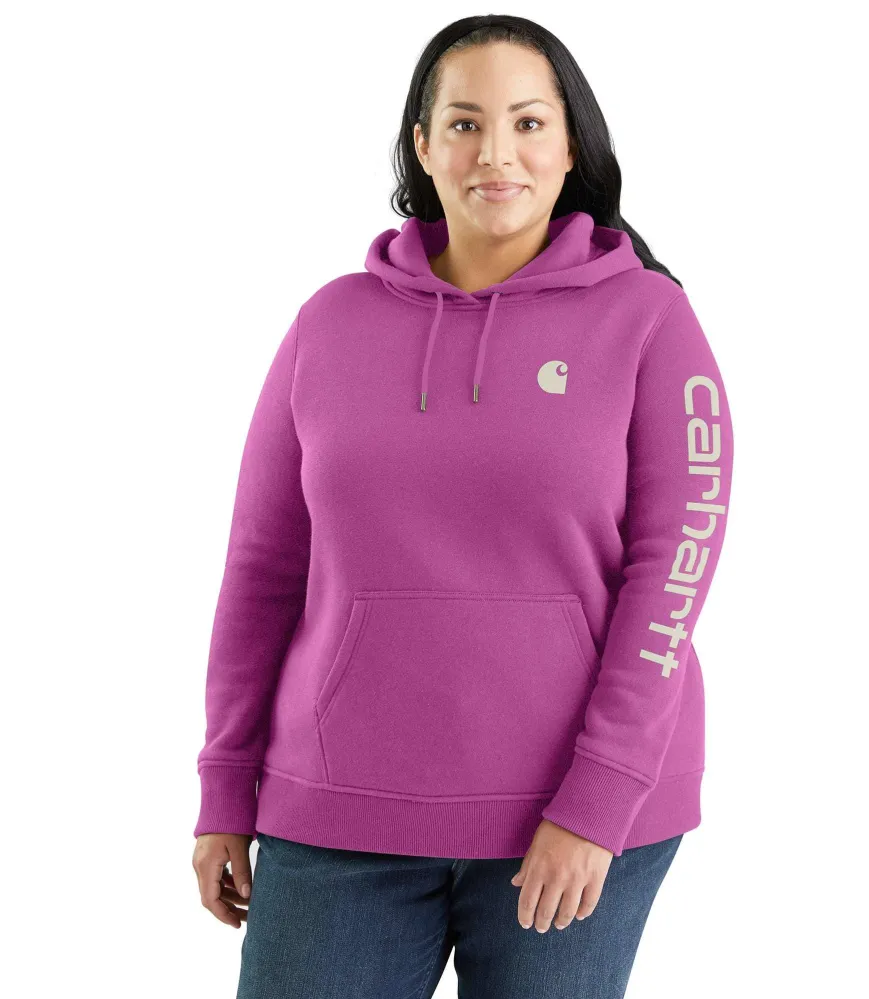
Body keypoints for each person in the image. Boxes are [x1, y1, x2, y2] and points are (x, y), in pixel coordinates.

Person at [191, 13, 734, 998]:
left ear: (570, 146)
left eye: (528, 123)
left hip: (568, 816)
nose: (496, 154)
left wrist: (599, 796)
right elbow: (262, 570)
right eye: (465, 123)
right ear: (423, 144)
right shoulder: (329, 323)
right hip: (337, 808)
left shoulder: (651, 321)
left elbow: (675, 571)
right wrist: (225, 783)